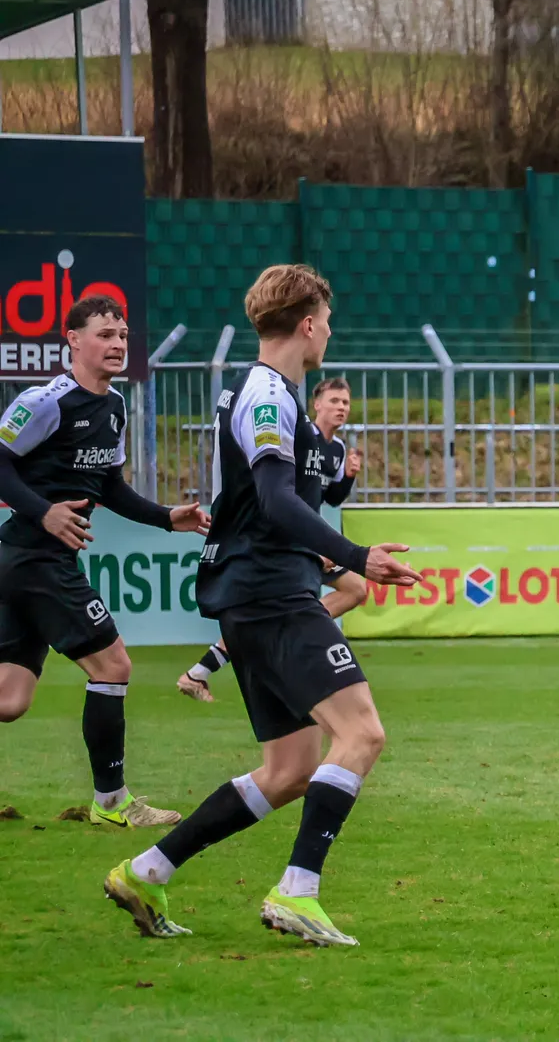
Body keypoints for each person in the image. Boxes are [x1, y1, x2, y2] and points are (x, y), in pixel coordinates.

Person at [104, 264, 421, 946]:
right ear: (307, 323)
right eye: (327, 321)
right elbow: (275, 501)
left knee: (290, 770)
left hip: (256, 593)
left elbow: (269, 505)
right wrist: (357, 556)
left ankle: (146, 870)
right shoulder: (268, 394)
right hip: (271, 595)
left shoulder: (272, 395)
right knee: (362, 734)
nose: (329, 333)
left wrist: (325, 555)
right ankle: (297, 891)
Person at [0, 296, 208, 828]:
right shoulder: (45, 402)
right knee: (113, 665)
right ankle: (111, 802)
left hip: (34, 560)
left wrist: (167, 518)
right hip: (33, 557)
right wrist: (45, 512)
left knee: (10, 699)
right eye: (105, 335)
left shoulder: (114, 406)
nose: (118, 345)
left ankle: (110, 801)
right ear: (73, 340)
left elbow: (109, 486)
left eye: (123, 336)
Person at [177, 377, 366, 702]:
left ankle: (200, 671)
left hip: (306, 536)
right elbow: (281, 496)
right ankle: (202, 671)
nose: (341, 408)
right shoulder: (300, 435)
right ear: (317, 404)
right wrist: (314, 544)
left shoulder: (337, 449)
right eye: (334, 401)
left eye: (345, 402)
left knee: (351, 591)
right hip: (287, 537)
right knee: (347, 592)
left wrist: (348, 477)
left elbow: (331, 497)